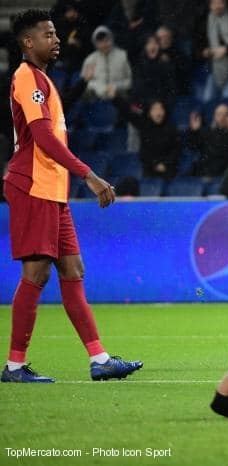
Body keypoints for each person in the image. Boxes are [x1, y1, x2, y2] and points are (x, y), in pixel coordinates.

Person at [2, 10, 142, 383]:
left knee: (73, 269)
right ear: (28, 42)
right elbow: (44, 140)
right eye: (48, 34)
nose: (56, 38)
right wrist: (89, 175)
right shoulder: (26, 78)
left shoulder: (44, 80)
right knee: (36, 273)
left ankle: (100, 360)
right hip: (32, 185)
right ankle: (15, 366)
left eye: (55, 33)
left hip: (52, 189)